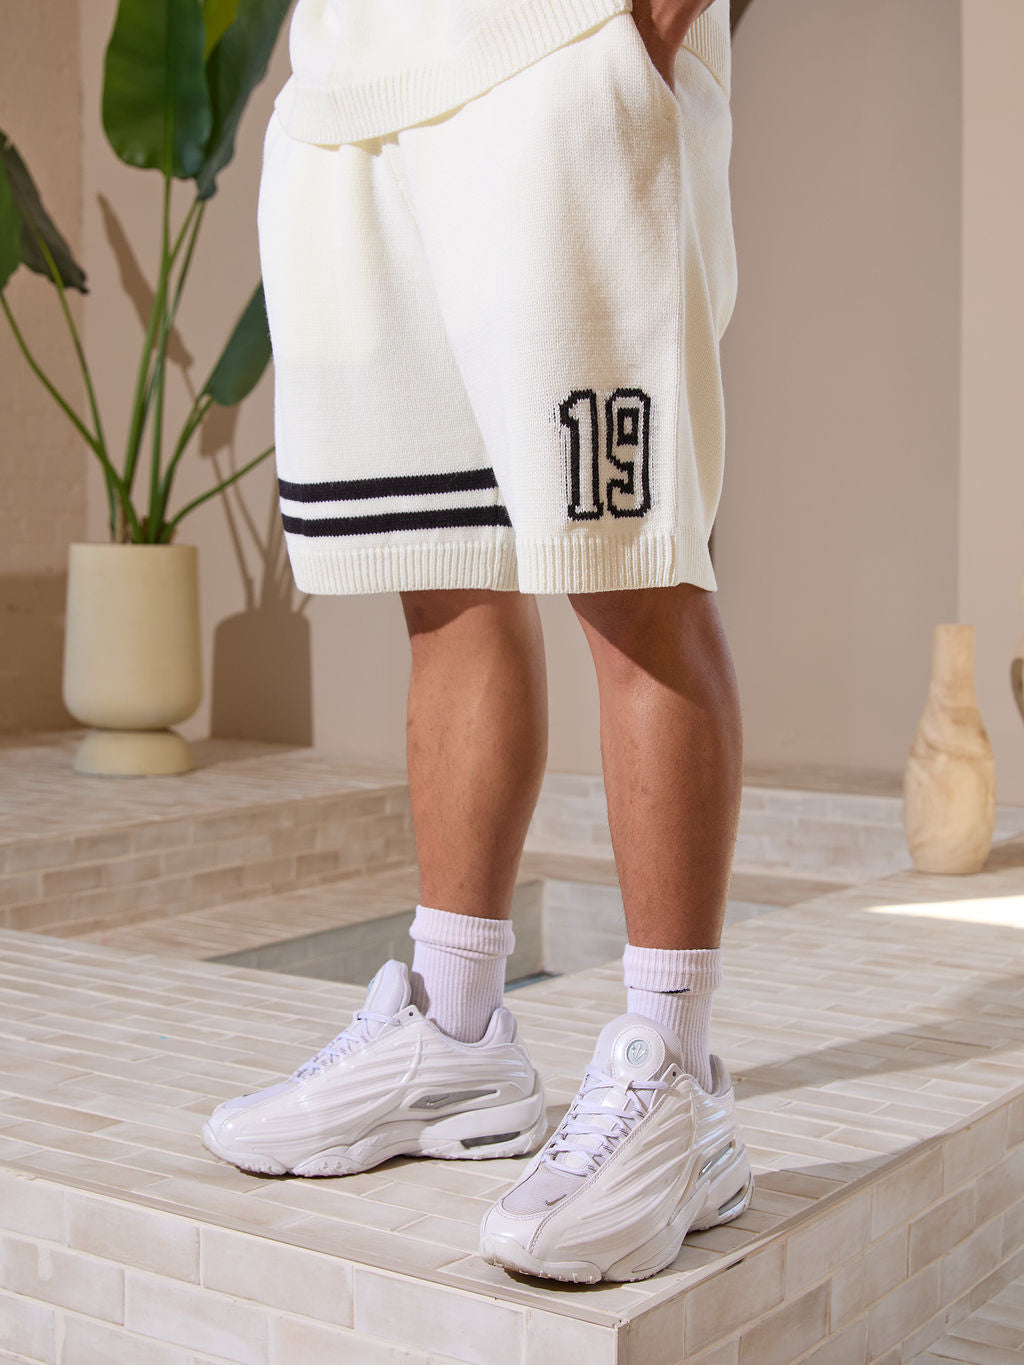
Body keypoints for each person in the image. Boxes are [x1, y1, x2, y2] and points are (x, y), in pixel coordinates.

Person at [202, 0, 753, 1284]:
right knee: (441, 576)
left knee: (630, 570)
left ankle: (676, 1078)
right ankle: (453, 1036)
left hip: (557, 47)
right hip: (349, 90)